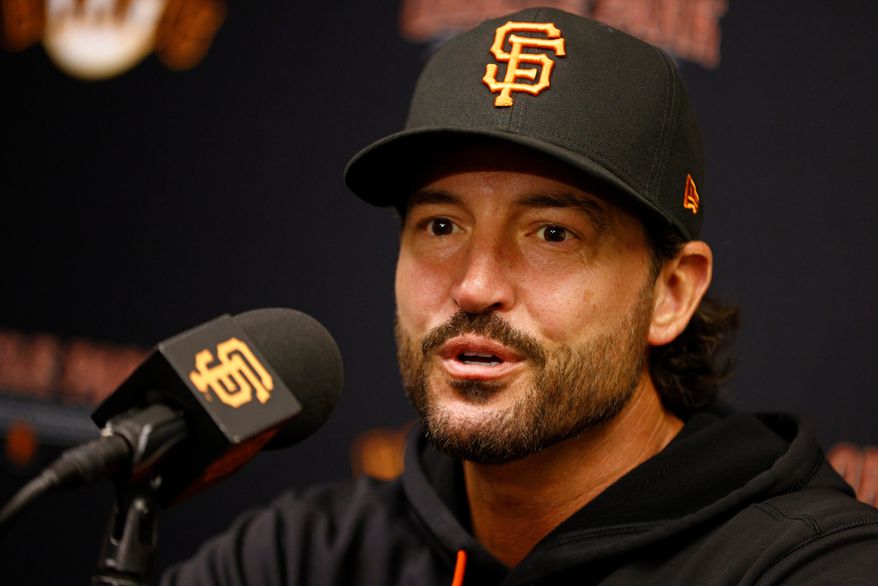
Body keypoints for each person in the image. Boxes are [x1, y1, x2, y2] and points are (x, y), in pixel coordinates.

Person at [163, 7, 878, 584]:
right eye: (441, 226)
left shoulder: (805, 567)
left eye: (551, 234)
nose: (475, 286)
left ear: (672, 292)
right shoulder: (304, 556)